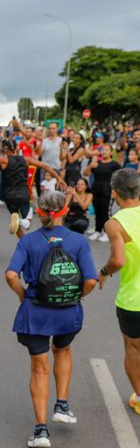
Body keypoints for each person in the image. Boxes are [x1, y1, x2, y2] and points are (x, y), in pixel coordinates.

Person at [5, 190, 97, 448]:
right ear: (65, 211)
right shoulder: (78, 242)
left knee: (39, 368)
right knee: (64, 349)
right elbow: (91, 280)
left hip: (36, 311)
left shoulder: (28, 241)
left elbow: (11, 275)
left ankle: (41, 430)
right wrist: (74, 296)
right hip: (68, 312)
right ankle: (62, 405)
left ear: (40, 211)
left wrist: (24, 295)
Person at [98, 169, 140, 413]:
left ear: (114, 193)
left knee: (133, 347)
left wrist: (103, 273)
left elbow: (118, 261)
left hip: (133, 299)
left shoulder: (115, 224)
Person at [84, 145, 122, 242]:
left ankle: (107, 232)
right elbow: (85, 173)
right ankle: (97, 230)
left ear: (111, 152)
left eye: (106, 150)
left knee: (105, 212)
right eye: (102, 150)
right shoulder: (97, 163)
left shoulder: (114, 164)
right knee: (97, 211)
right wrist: (90, 166)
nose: (104, 152)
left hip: (108, 190)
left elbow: (121, 177)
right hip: (96, 189)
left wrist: (116, 190)